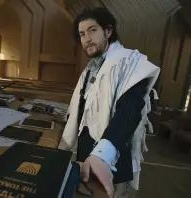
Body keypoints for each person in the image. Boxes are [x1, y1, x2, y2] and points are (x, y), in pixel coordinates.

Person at [58, 8, 160, 198]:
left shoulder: (130, 62)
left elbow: (130, 109)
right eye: (82, 34)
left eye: (92, 30)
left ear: (108, 31)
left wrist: (103, 154)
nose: (87, 38)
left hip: (111, 161)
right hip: (85, 159)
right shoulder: (91, 69)